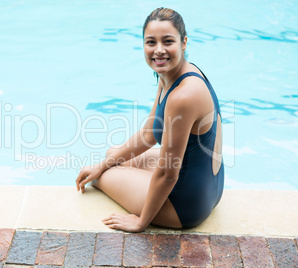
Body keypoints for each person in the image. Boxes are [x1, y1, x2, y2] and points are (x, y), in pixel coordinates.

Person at [76, 7, 224, 232]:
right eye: (151, 42)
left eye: (168, 41)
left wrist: (141, 222)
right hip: (209, 185)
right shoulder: (174, 73)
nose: (159, 50)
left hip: (187, 205)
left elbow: (167, 174)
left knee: (104, 176)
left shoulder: (183, 95)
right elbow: (148, 135)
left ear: (184, 42)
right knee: (111, 157)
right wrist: (101, 165)